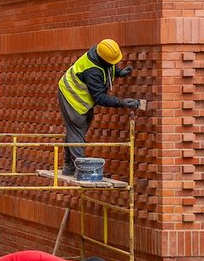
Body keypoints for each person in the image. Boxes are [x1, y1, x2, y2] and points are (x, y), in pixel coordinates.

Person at [57, 39, 145, 176]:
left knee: (76, 130)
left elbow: (107, 65)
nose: (114, 64)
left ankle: (69, 167)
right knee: (77, 129)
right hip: (71, 96)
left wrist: (119, 72)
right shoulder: (92, 71)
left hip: (79, 96)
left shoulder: (99, 52)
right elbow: (99, 97)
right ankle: (82, 169)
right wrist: (121, 102)